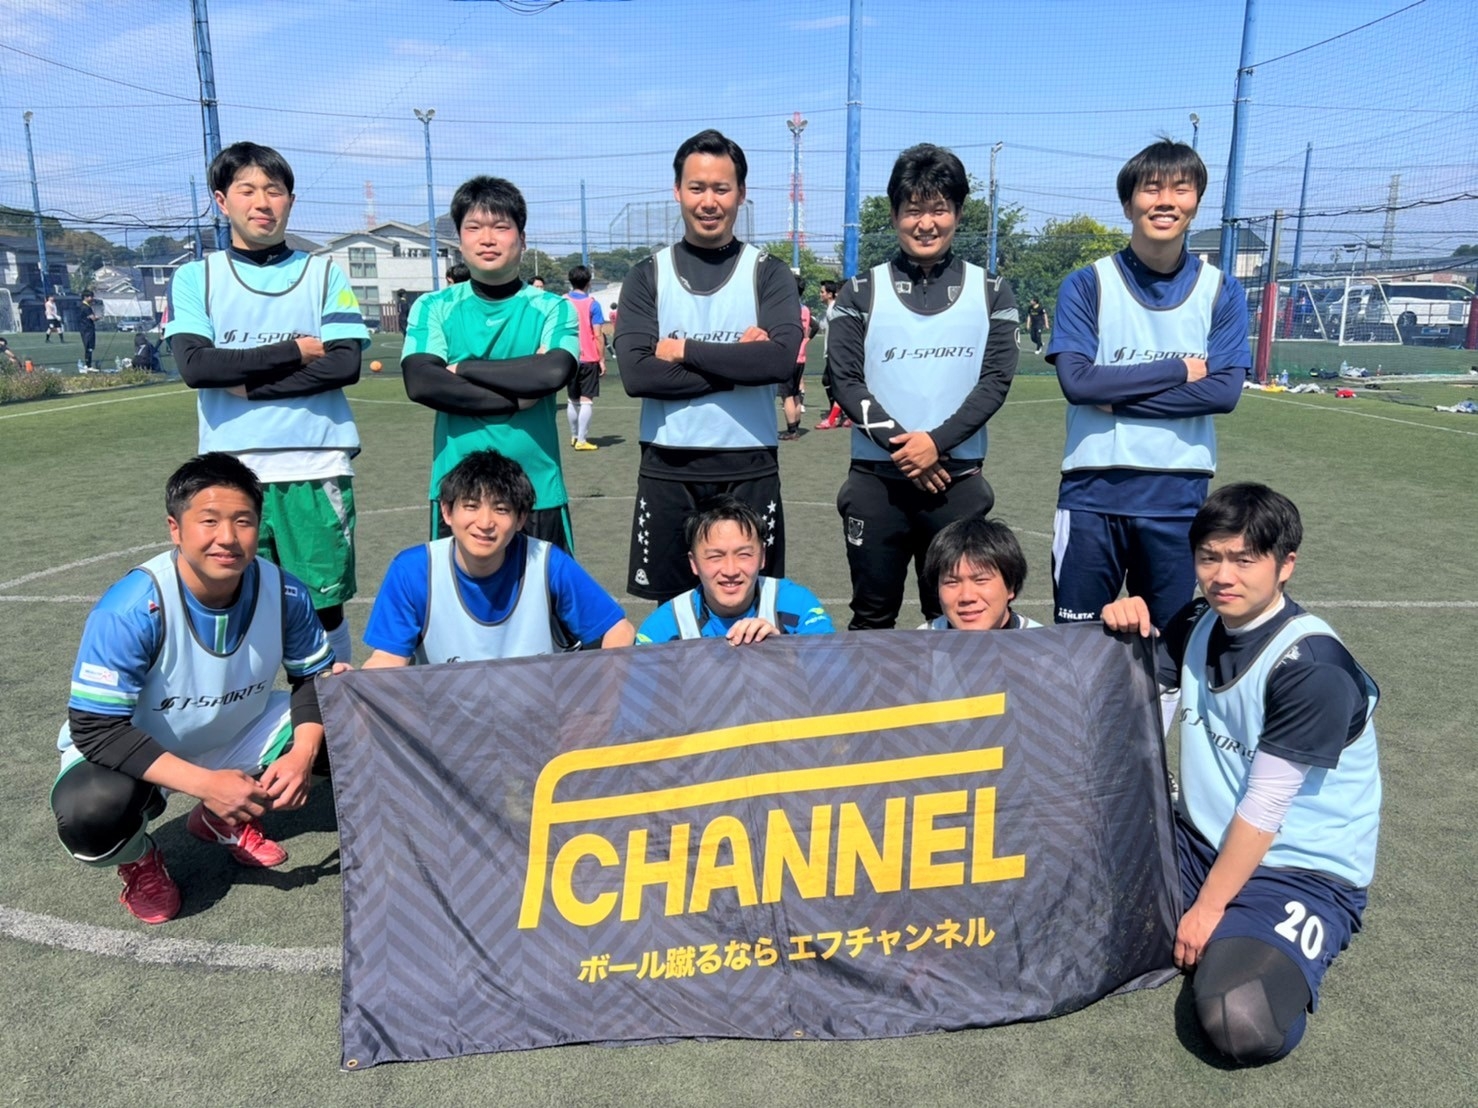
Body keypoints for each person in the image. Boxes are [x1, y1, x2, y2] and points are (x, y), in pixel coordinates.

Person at [1101, 483, 1380, 1065]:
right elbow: (1140, 717)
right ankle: (1226, 934)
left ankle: (1259, 944)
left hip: (1298, 871)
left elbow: (1265, 808)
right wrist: (1121, 637)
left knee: (1239, 1021)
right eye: (1209, 557)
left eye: (1244, 559)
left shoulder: (1313, 669)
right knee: (1074, 904)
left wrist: (1207, 911)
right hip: (1197, 842)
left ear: (1285, 565)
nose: (1222, 576)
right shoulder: (1198, 618)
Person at [52, 453, 344, 925]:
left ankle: (222, 818)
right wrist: (207, 784)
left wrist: (302, 755)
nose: (227, 537)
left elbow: (314, 677)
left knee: (353, 726)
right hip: (140, 750)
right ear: (176, 528)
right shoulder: (131, 608)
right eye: (209, 521)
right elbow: (96, 728)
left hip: (236, 729)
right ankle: (139, 859)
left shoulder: (285, 592)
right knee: (91, 813)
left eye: (243, 521)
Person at [165, 141, 371, 670]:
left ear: (290, 201)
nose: (262, 202)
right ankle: (238, 710)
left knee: (323, 607)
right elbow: (198, 367)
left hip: (314, 464)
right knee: (229, 605)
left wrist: (250, 387)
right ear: (221, 201)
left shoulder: (322, 274)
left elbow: (344, 364)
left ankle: (328, 711)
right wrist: (294, 351)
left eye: (274, 191)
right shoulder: (195, 278)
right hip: (230, 471)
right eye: (247, 190)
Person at [1047, 139, 1248, 632]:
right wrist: (1177, 370)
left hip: (1179, 496)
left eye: (1181, 189)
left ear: (1196, 202)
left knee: (1168, 648)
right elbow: (1078, 382)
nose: (1166, 201)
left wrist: (1114, 398)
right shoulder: (1087, 284)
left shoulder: (1222, 290)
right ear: (1127, 204)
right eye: (1151, 189)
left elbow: (1223, 393)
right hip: (1092, 494)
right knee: (1075, 645)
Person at [829, 143, 1019, 630]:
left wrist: (935, 444)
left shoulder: (991, 290)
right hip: (876, 481)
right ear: (895, 215)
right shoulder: (860, 290)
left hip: (955, 481)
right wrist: (906, 447)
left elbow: (995, 382)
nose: (926, 223)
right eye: (913, 210)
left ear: (958, 213)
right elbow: (845, 380)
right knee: (872, 618)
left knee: (960, 621)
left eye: (939, 209)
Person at [615, 129, 803, 603]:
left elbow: (779, 360)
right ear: (677, 190)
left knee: (754, 611)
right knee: (675, 616)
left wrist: (683, 350)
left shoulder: (769, 272)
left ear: (741, 193)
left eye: (721, 188)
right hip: (668, 465)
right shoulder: (647, 274)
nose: (709, 201)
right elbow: (637, 375)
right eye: (697, 187)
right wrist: (741, 364)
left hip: (750, 463)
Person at [401, 176, 579, 551]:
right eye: (474, 228)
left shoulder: (553, 307)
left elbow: (552, 372)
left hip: (537, 491)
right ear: (460, 239)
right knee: (453, 592)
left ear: (522, 238)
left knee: (545, 591)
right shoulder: (434, 307)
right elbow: (422, 382)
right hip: (458, 498)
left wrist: (464, 368)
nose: (487, 239)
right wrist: (518, 397)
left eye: (500, 227)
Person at [363, 450, 633, 666]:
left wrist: (600, 699)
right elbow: (387, 659)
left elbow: (619, 631)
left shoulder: (548, 563)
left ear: (521, 518)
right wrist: (350, 683)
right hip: (448, 716)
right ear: (446, 511)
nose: (484, 523)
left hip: (538, 713)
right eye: (471, 506)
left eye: (501, 509)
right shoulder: (413, 571)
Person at [636, 496, 832, 644]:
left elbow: (831, 670)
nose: (730, 571)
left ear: (763, 556)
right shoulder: (662, 629)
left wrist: (781, 650)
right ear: (693, 562)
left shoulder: (798, 606)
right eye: (715, 556)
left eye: (744, 554)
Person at [920, 517, 1039, 631]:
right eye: (952, 582)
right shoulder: (919, 642)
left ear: (1010, 586)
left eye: (981, 580)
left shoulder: (1041, 642)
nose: (967, 597)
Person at [564, 264, 607, 451]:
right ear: (589, 283)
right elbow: (598, 334)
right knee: (586, 400)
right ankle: (582, 440)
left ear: (570, 281)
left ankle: (574, 436)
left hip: (569, 356)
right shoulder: (593, 304)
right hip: (589, 357)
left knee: (572, 399)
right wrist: (602, 359)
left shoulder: (562, 301)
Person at [779, 274, 814, 441]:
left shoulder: (786, 308)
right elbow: (812, 327)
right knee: (795, 394)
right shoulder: (805, 309)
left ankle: (791, 430)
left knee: (786, 395)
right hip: (801, 357)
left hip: (788, 357)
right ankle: (796, 427)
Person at [813, 279, 849, 429]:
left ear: (830, 294)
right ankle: (843, 415)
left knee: (834, 383)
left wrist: (835, 351)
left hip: (836, 353)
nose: (820, 294)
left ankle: (835, 417)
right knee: (829, 381)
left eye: (822, 292)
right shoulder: (831, 309)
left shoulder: (834, 308)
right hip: (833, 352)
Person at [79, 290, 99, 368]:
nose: (92, 298)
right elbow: (93, 318)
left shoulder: (83, 306)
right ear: (85, 297)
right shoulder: (86, 307)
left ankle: (88, 364)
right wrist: (98, 317)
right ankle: (88, 365)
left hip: (85, 329)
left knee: (89, 347)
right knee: (89, 347)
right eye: (91, 297)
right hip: (87, 329)